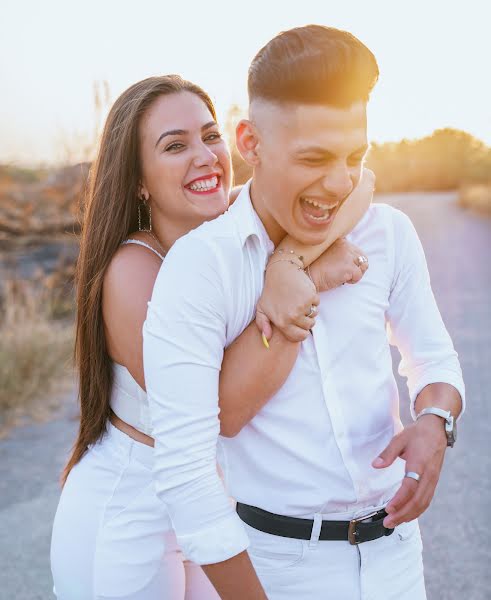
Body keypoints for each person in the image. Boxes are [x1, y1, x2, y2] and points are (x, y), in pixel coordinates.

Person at [142, 25, 465, 600]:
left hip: (397, 558)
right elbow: (186, 476)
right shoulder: (199, 269)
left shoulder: (389, 233)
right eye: (313, 158)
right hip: (278, 570)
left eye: (354, 157)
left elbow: (434, 358)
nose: (339, 182)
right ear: (250, 142)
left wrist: (436, 422)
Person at [50, 73, 373, 599]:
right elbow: (225, 410)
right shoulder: (133, 271)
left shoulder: (237, 224)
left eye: (210, 136)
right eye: (175, 146)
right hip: (131, 517)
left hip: (212, 506)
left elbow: (363, 185)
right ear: (139, 181)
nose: (203, 155)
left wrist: (289, 261)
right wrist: (305, 281)